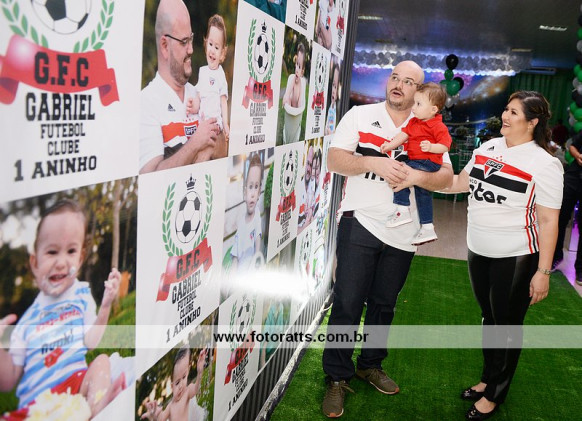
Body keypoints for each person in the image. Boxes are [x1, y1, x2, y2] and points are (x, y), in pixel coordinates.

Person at [321, 60, 453, 418]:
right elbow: (334, 160)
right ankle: (337, 376)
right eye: (395, 77)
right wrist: (373, 163)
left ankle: (370, 364)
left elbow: (446, 178)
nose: (398, 84)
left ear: (419, 91)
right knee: (348, 302)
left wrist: (416, 177)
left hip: (404, 231)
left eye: (408, 81)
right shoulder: (360, 116)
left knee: (384, 304)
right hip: (360, 221)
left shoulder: (429, 126)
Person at [445, 91, 563, 420]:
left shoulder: (545, 163)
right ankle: (488, 379)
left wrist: (543, 272)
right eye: (506, 110)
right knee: (489, 319)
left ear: (533, 122)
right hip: (478, 249)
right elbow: (460, 183)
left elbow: (549, 221)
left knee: (507, 325)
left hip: (515, 256)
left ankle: (495, 394)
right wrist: (424, 174)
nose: (505, 117)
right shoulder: (488, 148)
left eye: (513, 112)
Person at [0, 199, 125, 418]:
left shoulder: (81, 298)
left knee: (102, 362)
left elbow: (91, 342)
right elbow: (8, 380)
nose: (61, 262)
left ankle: (96, 408)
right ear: (35, 263)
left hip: (76, 388)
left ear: (81, 258)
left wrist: (105, 307)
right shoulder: (27, 322)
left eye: (71, 251)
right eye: (52, 252)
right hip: (37, 404)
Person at [140, 0, 220, 174]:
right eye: (184, 42)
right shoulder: (146, 103)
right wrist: (196, 143)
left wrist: (210, 148)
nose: (191, 49)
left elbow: (224, 146)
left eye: (191, 38)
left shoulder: (199, 92)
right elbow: (150, 177)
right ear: (164, 46)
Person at [380, 82, 452, 245]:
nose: (413, 108)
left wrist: (432, 147)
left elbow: (445, 145)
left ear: (433, 109)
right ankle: (427, 227)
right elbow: (403, 135)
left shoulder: (438, 126)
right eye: (414, 103)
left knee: (400, 171)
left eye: (419, 104)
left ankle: (402, 209)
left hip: (428, 163)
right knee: (422, 193)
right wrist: (390, 145)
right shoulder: (414, 122)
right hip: (417, 161)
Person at [187, 14, 230, 157]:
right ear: (206, 45)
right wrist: (193, 106)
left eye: (217, 47)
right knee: (201, 156)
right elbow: (199, 96)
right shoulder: (203, 72)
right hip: (203, 127)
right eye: (210, 44)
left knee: (214, 154)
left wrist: (225, 124)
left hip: (216, 127)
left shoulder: (220, 74)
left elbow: (223, 101)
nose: (212, 50)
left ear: (222, 53)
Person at [142, 347, 208, 421]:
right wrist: (155, 415)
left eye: (184, 377)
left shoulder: (187, 392)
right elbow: (162, 418)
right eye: (177, 383)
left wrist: (199, 372)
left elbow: (196, 388)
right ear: (172, 387)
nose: (181, 386)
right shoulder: (170, 406)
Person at [552, 130, 582, 286]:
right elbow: (572, 146)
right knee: (559, 217)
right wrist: (578, 156)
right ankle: (555, 256)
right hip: (573, 176)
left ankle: (580, 269)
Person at [230, 152, 264, 272]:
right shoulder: (240, 223)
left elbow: (258, 238)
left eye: (256, 187)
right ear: (244, 193)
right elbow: (235, 257)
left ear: (259, 192)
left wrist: (256, 259)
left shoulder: (257, 215)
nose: (253, 194)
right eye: (250, 187)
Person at [282, 42, 307, 144]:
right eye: (296, 64)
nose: (296, 69)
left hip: (296, 118)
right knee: (288, 97)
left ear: (302, 72)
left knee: (294, 139)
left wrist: (298, 109)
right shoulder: (291, 78)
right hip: (289, 115)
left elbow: (301, 103)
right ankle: (286, 137)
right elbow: (287, 95)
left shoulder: (302, 83)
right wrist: (286, 98)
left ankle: (294, 136)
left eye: (299, 67)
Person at [325, 61, 340, 136]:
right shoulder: (330, 106)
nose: (334, 91)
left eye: (336, 87)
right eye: (333, 85)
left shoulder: (338, 111)